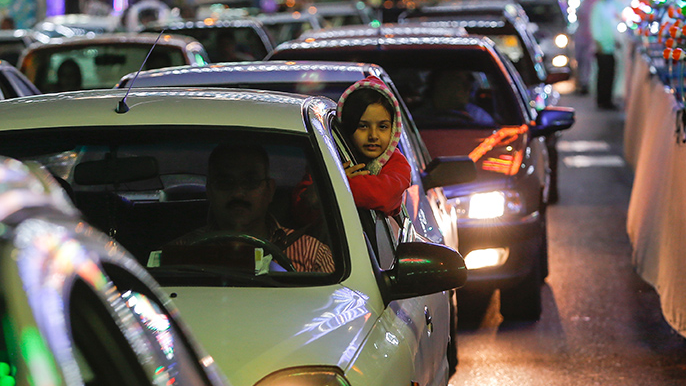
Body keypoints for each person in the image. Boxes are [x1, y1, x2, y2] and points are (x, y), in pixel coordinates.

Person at [166, 142, 335, 273]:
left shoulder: (313, 255)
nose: (238, 194)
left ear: (269, 190)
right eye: (225, 183)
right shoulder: (176, 254)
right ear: (209, 191)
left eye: (251, 182)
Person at [337, 74, 412, 217]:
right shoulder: (331, 157)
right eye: (362, 126)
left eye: (382, 126)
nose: (373, 136)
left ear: (394, 129)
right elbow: (304, 207)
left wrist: (338, 183)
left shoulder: (397, 164)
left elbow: (383, 196)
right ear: (347, 127)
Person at [414, 70, 495, 126]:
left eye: (468, 81)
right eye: (458, 80)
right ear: (440, 84)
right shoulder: (417, 119)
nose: (468, 87)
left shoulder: (479, 117)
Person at [590, 0, 620, 110]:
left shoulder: (610, 6)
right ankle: (602, 100)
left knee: (610, 74)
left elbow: (613, 25)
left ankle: (607, 99)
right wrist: (598, 43)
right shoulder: (598, 7)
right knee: (604, 74)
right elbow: (595, 26)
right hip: (603, 47)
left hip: (610, 46)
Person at [574, 0, 598, 95]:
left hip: (590, 36)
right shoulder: (583, 2)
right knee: (580, 60)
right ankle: (581, 83)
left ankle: (586, 84)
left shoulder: (594, 1)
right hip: (581, 36)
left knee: (587, 61)